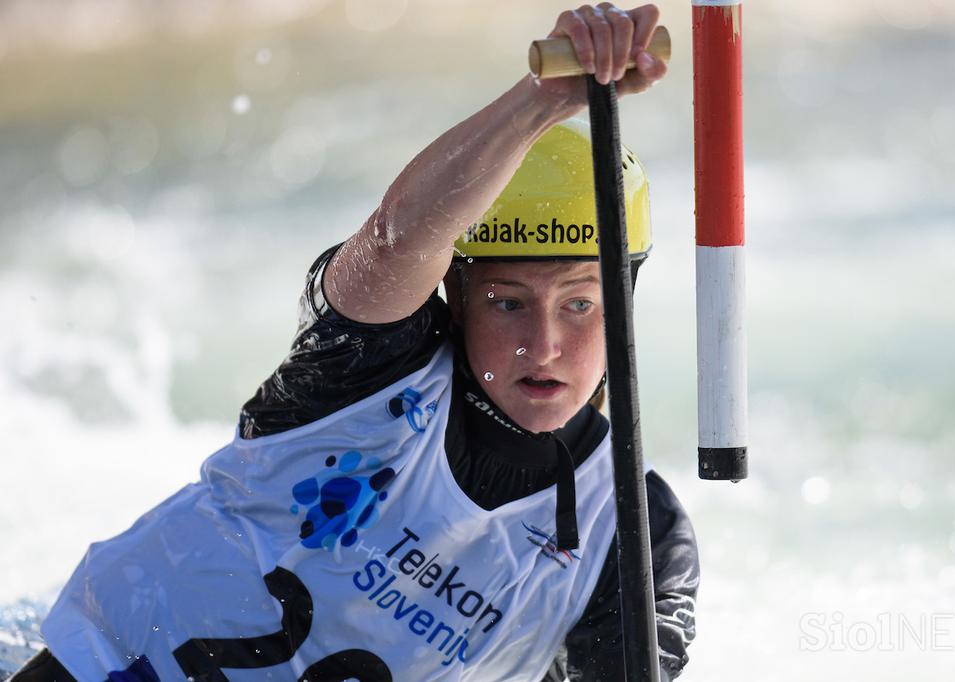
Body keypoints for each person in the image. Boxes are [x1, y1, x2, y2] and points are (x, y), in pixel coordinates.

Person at [12, 4, 698, 680]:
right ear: (455, 299)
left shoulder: (637, 537)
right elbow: (399, 240)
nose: (544, 344)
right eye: (507, 303)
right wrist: (541, 100)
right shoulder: (368, 373)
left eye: (580, 304)